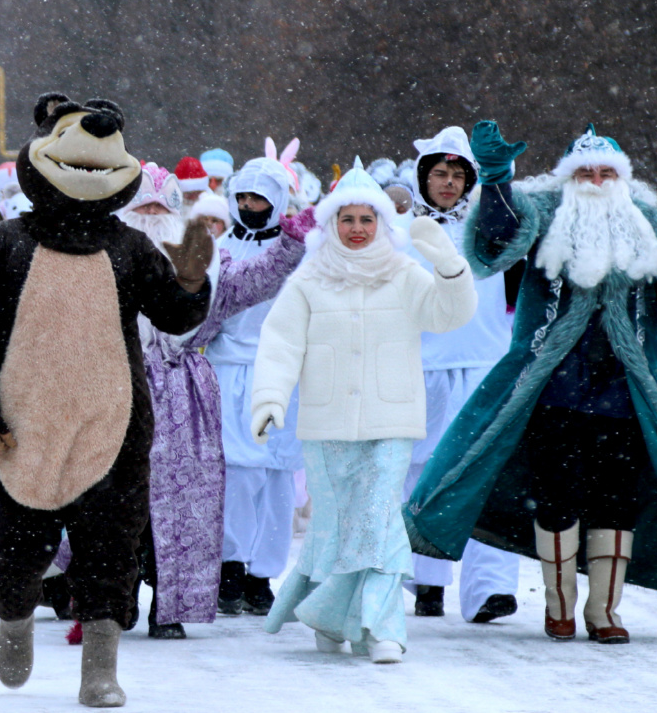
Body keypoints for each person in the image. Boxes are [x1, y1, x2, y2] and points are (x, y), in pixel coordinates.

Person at [406, 123, 657, 645]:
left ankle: (604, 612)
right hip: (552, 388)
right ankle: (559, 608)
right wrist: (493, 180)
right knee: (555, 500)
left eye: (607, 172)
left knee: (615, 503)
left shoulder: (651, 227)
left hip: (625, 394)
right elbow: (493, 245)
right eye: (586, 171)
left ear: (622, 179)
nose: (596, 180)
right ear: (568, 177)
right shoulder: (542, 213)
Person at [0, 94, 212, 707]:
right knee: (5, 538)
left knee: (111, 545)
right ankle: (15, 614)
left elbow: (174, 317)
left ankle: (100, 666)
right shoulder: (8, 243)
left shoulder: (128, 247)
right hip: (20, 422)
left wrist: (191, 280)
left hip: (112, 419)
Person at [255, 161, 477, 663]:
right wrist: (270, 398)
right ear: (332, 224)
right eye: (347, 219)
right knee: (333, 523)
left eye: (367, 219)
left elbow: (450, 315)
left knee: (377, 518)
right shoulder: (309, 279)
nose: (357, 229)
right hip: (327, 421)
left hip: (390, 420)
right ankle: (331, 618)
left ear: (382, 223)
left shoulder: (403, 274)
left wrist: (448, 265)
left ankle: (382, 628)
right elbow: (280, 343)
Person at [116, 162, 314, 638]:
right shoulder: (108, 257)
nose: (152, 214)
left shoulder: (204, 257)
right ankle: (111, 598)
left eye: (161, 205)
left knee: (183, 500)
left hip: (182, 386)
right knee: (116, 496)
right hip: (116, 383)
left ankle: (170, 605)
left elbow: (250, 284)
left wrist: (288, 247)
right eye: (142, 205)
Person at [400, 127, 522, 623]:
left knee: (487, 476)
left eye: (457, 174)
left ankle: (490, 587)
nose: (448, 183)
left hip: (484, 368)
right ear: (423, 178)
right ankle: (427, 580)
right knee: (422, 474)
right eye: (439, 173)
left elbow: (520, 230)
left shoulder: (490, 230)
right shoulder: (403, 232)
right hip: (423, 368)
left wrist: (499, 180)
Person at [208, 146, 305, 616]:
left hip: (285, 373)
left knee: (278, 476)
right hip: (230, 371)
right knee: (238, 474)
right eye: (242, 197)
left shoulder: (300, 252)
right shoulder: (219, 248)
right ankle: (230, 564)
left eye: (259, 198)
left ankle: (263, 573)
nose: (249, 206)